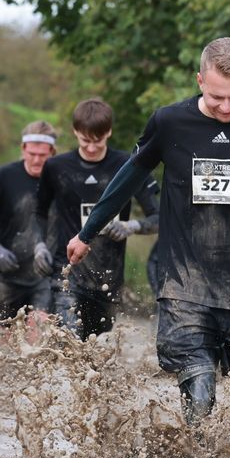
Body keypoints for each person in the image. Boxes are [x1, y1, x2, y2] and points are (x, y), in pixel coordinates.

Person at [67, 37, 230, 423]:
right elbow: (127, 180)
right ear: (199, 80)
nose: (226, 107)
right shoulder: (169, 122)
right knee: (199, 397)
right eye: (216, 98)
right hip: (184, 286)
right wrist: (87, 234)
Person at [34, 98, 159, 340]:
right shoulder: (56, 167)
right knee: (68, 342)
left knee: (95, 345)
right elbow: (38, 212)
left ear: (109, 132)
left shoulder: (129, 165)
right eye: (85, 140)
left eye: (98, 141)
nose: (91, 148)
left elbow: (159, 216)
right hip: (67, 272)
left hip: (108, 277)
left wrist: (132, 226)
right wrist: (38, 245)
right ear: (75, 132)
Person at [0, 120, 56, 322]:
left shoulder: (60, 178)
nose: (36, 160)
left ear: (52, 152)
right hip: (7, 274)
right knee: (8, 344)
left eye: (42, 155)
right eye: (31, 154)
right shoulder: (5, 176)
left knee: (39, 334)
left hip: (44, 274)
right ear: (23, 149)